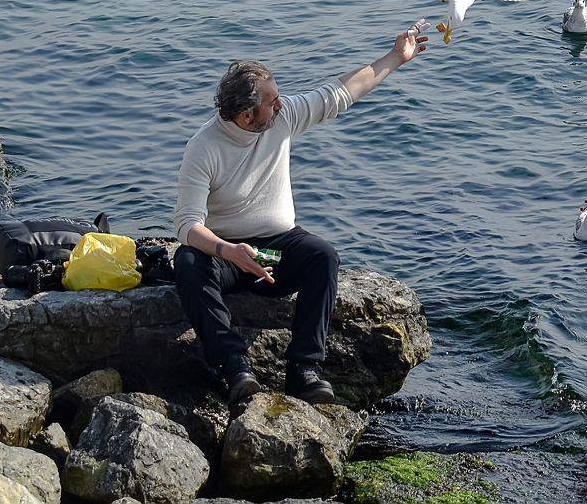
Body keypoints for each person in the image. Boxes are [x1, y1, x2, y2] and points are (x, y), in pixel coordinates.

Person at [173, 26, 428, 409]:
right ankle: (233, 366)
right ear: (246, 115)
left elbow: (340, 92)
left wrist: (396, 57)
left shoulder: (283, 117)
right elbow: (187, 225)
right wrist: (228, 251)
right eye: (272, 101)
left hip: (275, 253)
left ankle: (304, 369)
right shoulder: (203, 147)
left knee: (322, 256)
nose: (280, 104)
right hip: (228, 257)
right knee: (188, 262)